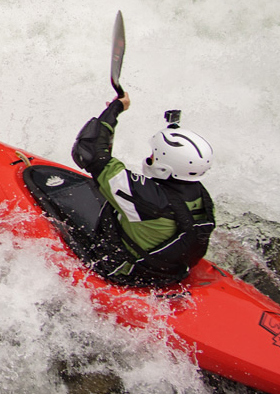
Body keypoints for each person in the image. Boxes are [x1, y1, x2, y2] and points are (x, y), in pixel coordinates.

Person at [69, 91, 216, 287]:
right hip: (169, 270)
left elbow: (89, 154)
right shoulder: (201, 195)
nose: (150, 157)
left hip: (125, 271)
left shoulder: (146, 197)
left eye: (154, 155)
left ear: (165, 167)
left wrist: (115, 109)